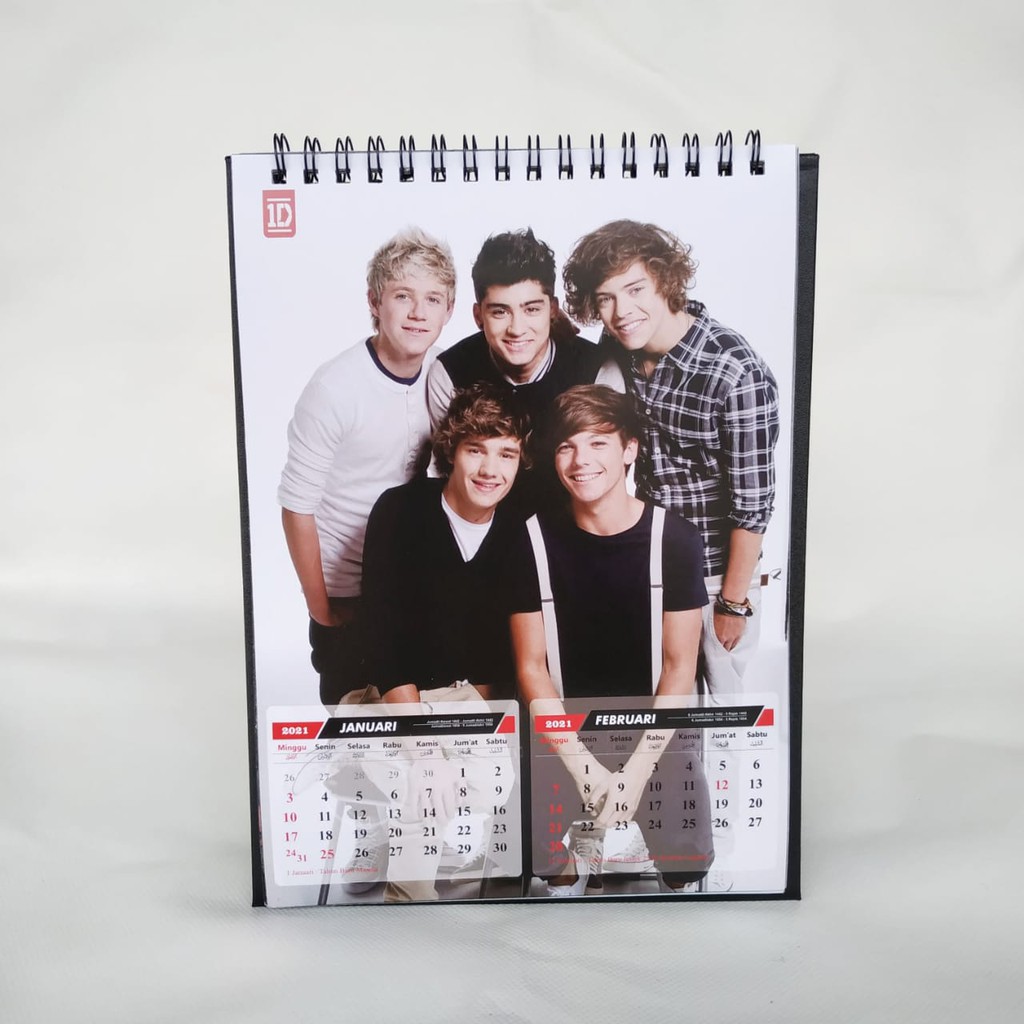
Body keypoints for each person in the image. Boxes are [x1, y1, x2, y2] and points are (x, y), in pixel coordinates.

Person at [508, 385, 712, 896]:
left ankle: (653, 851)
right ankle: (575, 865)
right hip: (565, 731)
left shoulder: (675, 538)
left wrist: (634, 776)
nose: (581, 461)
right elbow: (532, 667)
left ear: (629, 449)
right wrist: (585, 771)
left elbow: (679, 668)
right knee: (529, 856)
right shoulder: (529, 540)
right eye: (566, 446)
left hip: (652, 731)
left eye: (598, 442)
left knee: (687, 865)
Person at [562, 220, 780, 696]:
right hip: (651, 565)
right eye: (605, 298)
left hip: (717, 576)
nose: (621, 311)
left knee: (721, 717)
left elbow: (754, 507)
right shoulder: (622, 348)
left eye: (635, 289)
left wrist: (733, 604)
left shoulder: (735, 372)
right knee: (658, 710)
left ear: (666, 279)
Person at [350, 385, 530, 902]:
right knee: (422, 784)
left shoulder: (517, 530)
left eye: (506, 454)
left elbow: (499, 660)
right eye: (476, 449)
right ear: (452, 449)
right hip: (387, 694)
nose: (490, 469)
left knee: (489, 782)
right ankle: (410, 903)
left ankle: (427, 858)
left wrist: (475, 738)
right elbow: (384, 644)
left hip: (462, 699)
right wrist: (428, 751)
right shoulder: (401, 510)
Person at [277, 227, 456, 707]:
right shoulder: (335, 388)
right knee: (358, 735)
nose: (418, 312)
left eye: (433, 299)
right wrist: (321, 608)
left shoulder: (443, 374)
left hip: (411, 582)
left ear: (449, 310)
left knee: (425, 731)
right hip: (346, 592)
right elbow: (296, 507)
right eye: (403, 296)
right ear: (375, 302)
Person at [426, 228, 623, 511]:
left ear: (552, 310)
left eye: (531, 309)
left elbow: (608, 477)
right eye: (500, 311)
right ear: (478, 316)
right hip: (484, 523)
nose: (517, 329)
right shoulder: (450, 373)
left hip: (571, 523)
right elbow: (449, 473)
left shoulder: (596, 370)